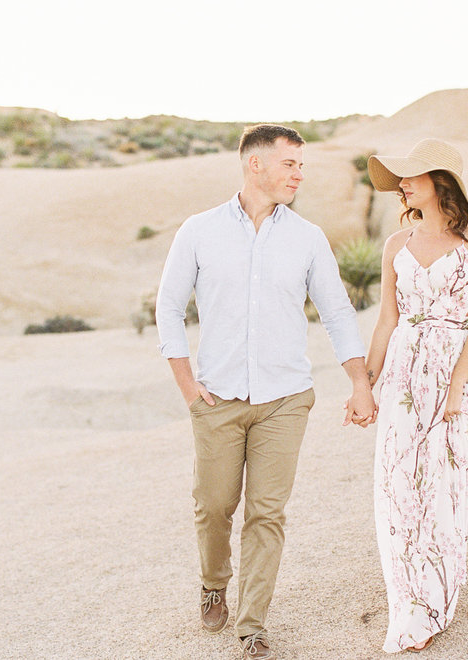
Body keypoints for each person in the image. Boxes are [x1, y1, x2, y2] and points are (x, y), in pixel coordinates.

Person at [155, 124, 375, 660]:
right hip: (218, 400)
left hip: (285, 399)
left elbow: (338, 311)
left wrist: (359, 381)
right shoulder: (199, 231)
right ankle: (213, 582)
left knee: (267, 513)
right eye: (290, 164)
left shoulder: (308, 238)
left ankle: (252, 624)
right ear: (256, 165)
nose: (299, 174)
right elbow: (168, 307)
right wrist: (189, 387)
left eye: (301, 165)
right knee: (213, 506)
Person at [363, 139, 468, 653]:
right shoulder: (396, 244)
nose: (401, 183)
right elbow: (387, 319)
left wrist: (457, 385)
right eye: (399, 177)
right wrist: (366, 384)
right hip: (403, 373)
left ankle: (438, 595)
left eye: (410, 175)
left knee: (444, 486)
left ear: (440, 180)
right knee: (398, 485)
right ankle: (407, 602)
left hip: (456, 370)